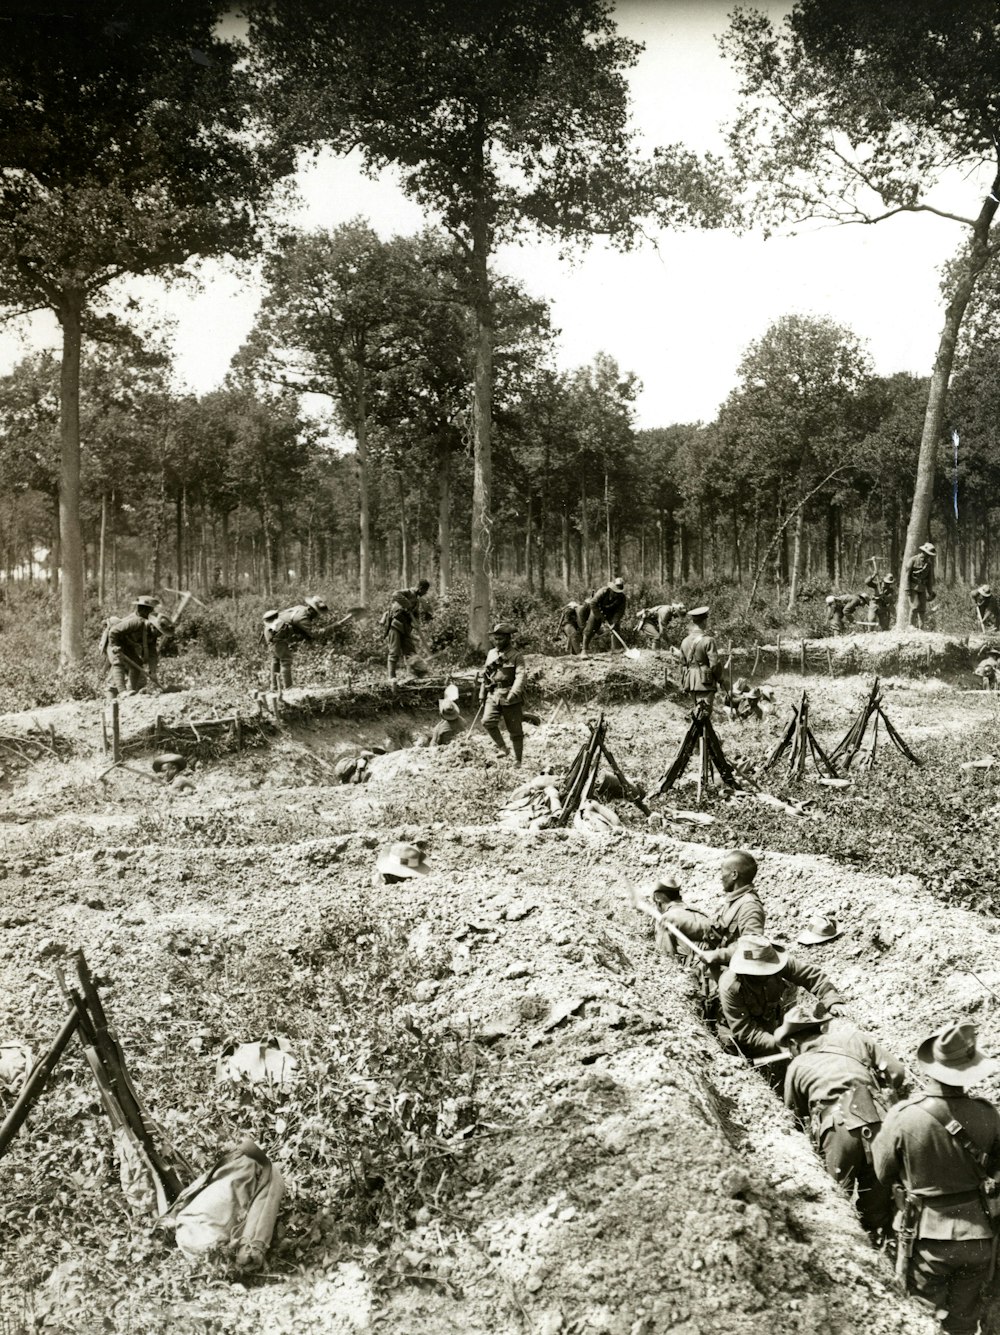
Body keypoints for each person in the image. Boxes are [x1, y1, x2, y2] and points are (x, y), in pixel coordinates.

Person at [873, 1020, 1000, 1335]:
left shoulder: (904, 1116)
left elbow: (881, 1173)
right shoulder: (988, 1114)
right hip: (980, 1235)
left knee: (923, 1319)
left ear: (930, 1068)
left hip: (927, 1237)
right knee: (964, 1320)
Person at [778, 1001, 906, 1236]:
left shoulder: (796, 1064)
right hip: (880, 1123)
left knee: (837, 1202)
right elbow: (897, 1072)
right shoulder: (856, 1038)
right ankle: (879, 1243)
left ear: (794, 1043)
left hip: (838, 1128)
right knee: (877, 1200)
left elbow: (792, 1115)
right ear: (820, 1029)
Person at [716, 934, 847, 1062]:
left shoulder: (775, 962)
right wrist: (781, 1044)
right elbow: (745, 1031)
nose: (766, 974)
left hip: (769, 1022)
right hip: (737, 1034)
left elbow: (810, 976)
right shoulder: (731, 986)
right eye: (760, 971)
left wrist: (831, 999)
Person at [480, 621, 526, 764]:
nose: (497, 642)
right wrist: (482, 693)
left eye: (500, 639)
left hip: (509, 696)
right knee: (487, 721)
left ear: (508, 638)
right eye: (495, 638)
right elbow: (486, 675)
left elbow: (521, 675)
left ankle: (518, 760)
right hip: (493, 693)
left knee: (515, 731)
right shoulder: (491, 654)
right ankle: (502, 747)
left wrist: (514, 692)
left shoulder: (516, 656)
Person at [262, 596, 328, 689]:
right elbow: (314, 634)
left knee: (276, 659)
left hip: (269, 630)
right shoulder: (303, 618)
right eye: (317, 613)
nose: (317, 616)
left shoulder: (300, 608)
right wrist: (332, 627)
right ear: (312, 610)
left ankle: (274, 687)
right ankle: (288, 688)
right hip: (276, 633)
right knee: (286, 660)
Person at [106, 595, 161, 695]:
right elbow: (113, 632)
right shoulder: (136, 622)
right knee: (118, 661)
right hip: (115, 640)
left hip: (127, 644)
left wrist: (153, 672)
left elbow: (152, 653)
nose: (159, 634)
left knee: (137, 663)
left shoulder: (152, 633)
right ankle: (122, 693)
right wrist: (114, 646)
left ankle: (131, 690)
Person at [678, 606, 723, 713]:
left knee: (698, 714)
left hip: (691, 683)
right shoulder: (709, 640)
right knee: (704, 716)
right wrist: (720, 679)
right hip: (705, 683)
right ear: (704, 621)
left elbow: (682, 664)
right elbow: (714, 665)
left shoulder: (684, 641)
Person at [385, 579, 431, 680]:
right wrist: (407, 605)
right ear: (421, 588)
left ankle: (411, 676)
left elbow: (415, 615)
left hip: (406, 628)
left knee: (410, 652)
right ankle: (391, 677)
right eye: (425, 591)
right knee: (394, 651)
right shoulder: (408, 592)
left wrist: (417, 624)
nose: (425, 593)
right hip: (395, 625)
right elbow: (395, 595)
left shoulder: (417, 600)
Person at [581, 577, 627, 655]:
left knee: (616, 627)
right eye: (615, 591)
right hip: (597, 610)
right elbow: (593, 603)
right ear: (612, 588)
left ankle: (615, 649)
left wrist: (614, 622)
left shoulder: (622, 598)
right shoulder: (603, 592)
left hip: (610, 613)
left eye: (618, 592)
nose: (616, 594)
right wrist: (600, 617)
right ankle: (584, 650)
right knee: (590, 628)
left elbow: (620, 611)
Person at [905, 542, 937, 630]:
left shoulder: (929, 564)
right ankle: (910, 625)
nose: (929, 556)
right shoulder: (913, 560)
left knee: (922, 608)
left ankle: (921, 627)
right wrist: (907, 588)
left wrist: (930, 592)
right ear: (924, 552)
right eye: (928, 554)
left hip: (922, 588)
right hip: (912, 587)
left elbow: (929, 579)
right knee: (915, 606)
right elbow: (907, 575)